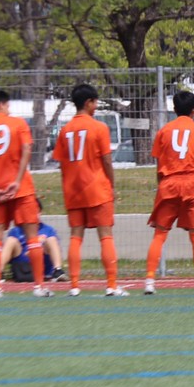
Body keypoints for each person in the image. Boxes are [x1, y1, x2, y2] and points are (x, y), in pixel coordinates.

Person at [0, 89, 50, 298]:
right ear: (1, 104)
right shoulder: (18, 123)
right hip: (21, 188)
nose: (9, 108)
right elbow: (27, 150)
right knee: (32, 236)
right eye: (8, 104)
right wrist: (17, 180)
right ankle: (39, 287)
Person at [53, 83, 126, 296]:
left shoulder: (65, 130)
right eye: (95, 102)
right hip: (97, 189)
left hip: (73, 191)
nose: (96, 106)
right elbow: (107, 160)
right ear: (88, 103)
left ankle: (75, 286)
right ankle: (111, 285)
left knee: (76, 237)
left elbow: (61, 163)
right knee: (106, 236)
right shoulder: (99, 128)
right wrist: (111, 185)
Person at [146, 89, 194, 295]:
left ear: (174, 109)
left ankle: (149, 281)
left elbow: (158, 165)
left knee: (159, 234)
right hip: (192, 184)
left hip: (168, 183)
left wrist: (161, 188)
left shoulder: (164, 131)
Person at [2, 205, 64, 284]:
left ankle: (58, 270)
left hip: (43, 263)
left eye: (35, 212)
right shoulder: (16, 231)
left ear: (40, 213)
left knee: (51, 239)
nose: (32, 215)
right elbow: (11, 255)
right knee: (11, 240)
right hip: (23, 265)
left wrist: (36, 251)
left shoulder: (49, 230)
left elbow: (55, 249)